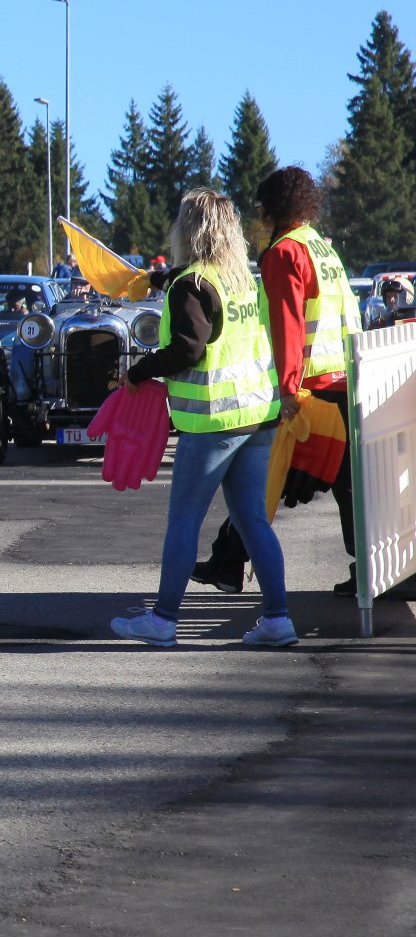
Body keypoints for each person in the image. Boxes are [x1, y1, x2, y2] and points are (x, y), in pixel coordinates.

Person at [109, 188, 295, 649]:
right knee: (253, 520)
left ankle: (163, 620)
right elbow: (204, 302)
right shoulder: (241, 279)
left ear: (187, 230)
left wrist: (139, 371)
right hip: (257, 416)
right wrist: (155, 280)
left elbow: (188, 348)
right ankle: (277, 619)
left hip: (213, 421)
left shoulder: (190, 284)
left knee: (184, 521)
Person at [190, 166, 363, 596]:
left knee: (267, 476)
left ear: (272, 208)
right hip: (344, 382)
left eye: (261, 206)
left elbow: (289, 327)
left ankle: (229, 562)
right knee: (346, 484)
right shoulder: (320, 246)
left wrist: (286, 390)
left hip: (309, 391)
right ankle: (364, 565)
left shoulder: (284, 253)